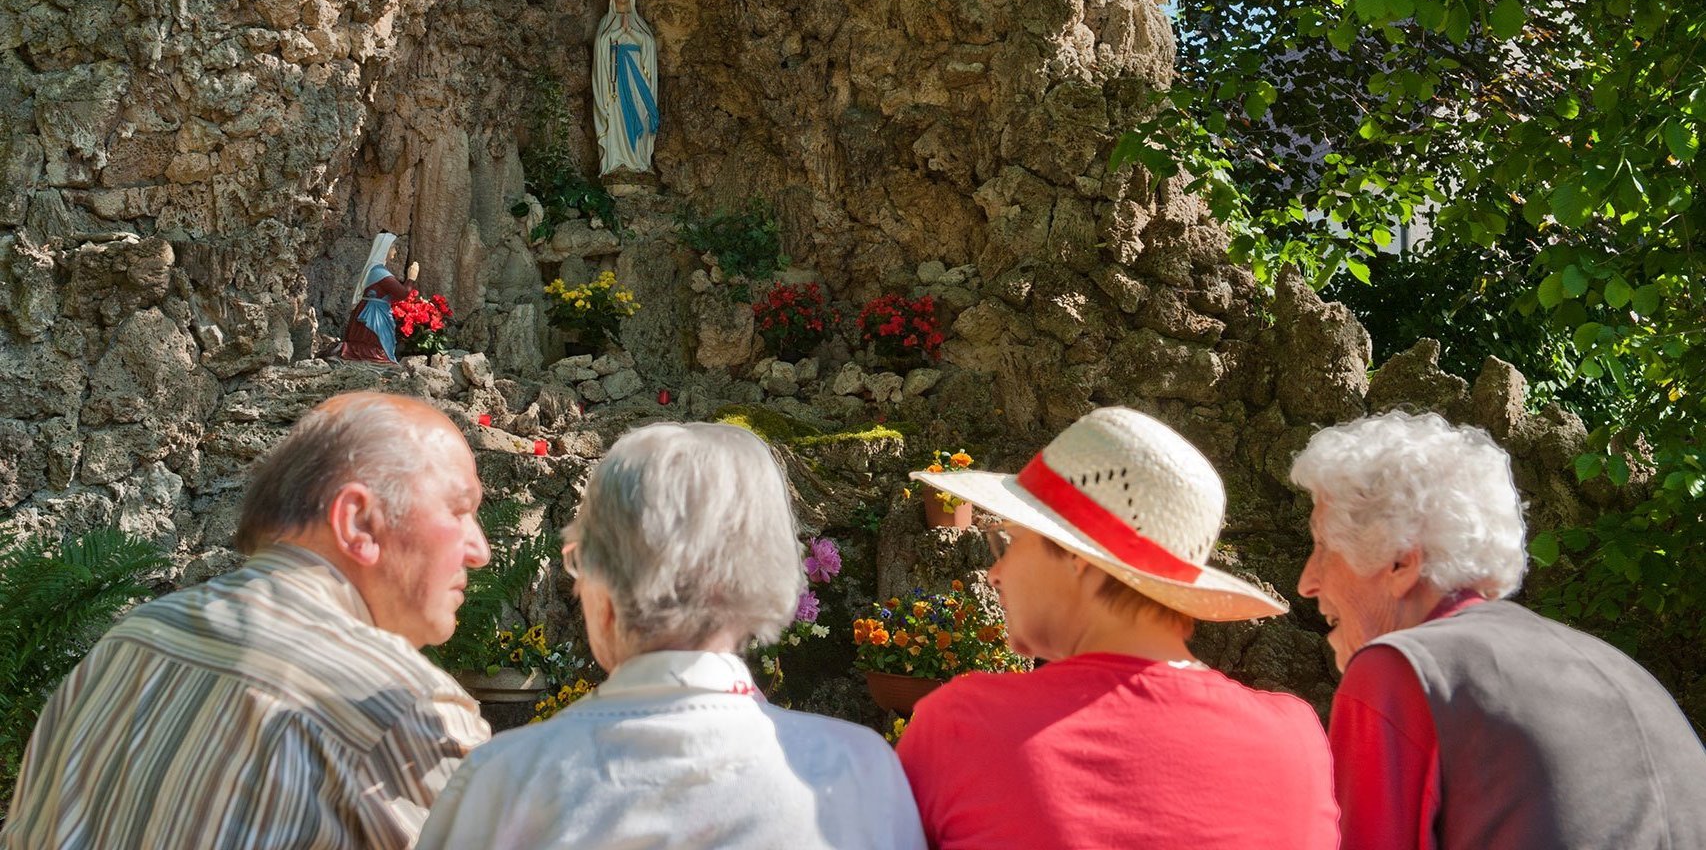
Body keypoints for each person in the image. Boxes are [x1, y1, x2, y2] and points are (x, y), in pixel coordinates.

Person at [3, 392, 492, 850]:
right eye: (461, 510)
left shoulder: (128, 645)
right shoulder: (400, 708)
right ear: (358, 523)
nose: (480, 552)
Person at [417, 421, 925, 850]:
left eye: (577, 560)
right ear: (765, 571)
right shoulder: (859, 772)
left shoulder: (501, 782)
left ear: (602, 583)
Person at [896, 406, 1338, 850]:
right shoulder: (1295, 740)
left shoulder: (967, 726)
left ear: (1076, 557)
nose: (996, 572)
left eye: (1009, 540)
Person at [1292, 409, 1706, 850]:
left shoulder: (1400, 669)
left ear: (1401, 561)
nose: (1306, 581)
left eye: (1323, 546)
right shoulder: (1626, 673)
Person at [591, 0, 660, 177]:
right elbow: (601, 45)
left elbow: (649, 45)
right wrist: (619, 31)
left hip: (636, 76)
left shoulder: (639, 22)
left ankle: (639, 161)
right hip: (614, 79)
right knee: (617, 114)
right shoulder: (606, 20)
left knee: (640, 111)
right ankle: (617, 161)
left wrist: (633, 34)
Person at [335, 230, 409, 362]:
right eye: (393, 248)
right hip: (373, 314)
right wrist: (411, 278)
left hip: (373, 309)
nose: (395, 252)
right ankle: (347, 351)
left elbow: (392, 296)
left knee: (374, 347)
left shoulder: (375, 270)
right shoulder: (379, 272)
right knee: (375, 350)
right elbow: (402, 293)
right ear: (385, 249)